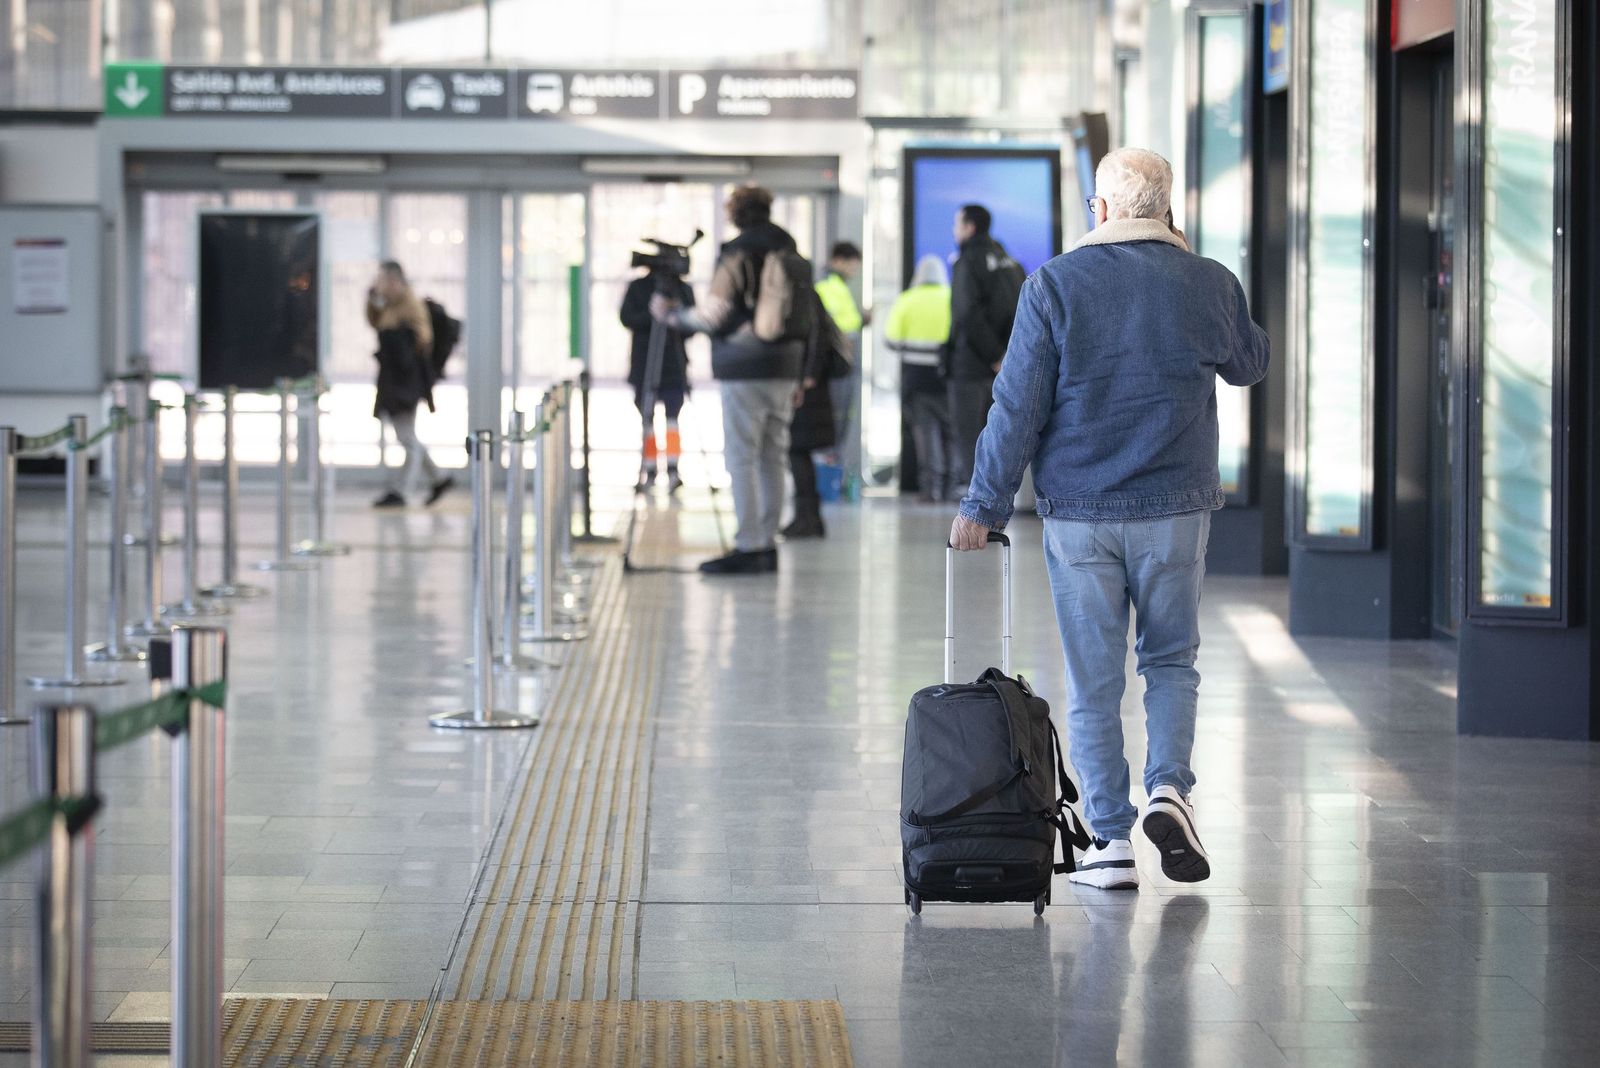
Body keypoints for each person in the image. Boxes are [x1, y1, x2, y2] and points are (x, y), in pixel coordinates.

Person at [948, 148, 1270, 891]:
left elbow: (1017, 408)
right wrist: (1195, 273)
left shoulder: (1055, 285)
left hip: (1081, 514)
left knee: (1094, 680)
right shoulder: (1208, 281)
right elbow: (1251, 363)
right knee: (1170, 661)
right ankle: (1170, 791)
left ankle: (1111, 843)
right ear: (1167, 209)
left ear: (1099, 209)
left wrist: (982, 506)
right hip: (1177, 511)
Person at [653, 185, 807, 574]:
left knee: (742, 455)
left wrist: (673, 317)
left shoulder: (737, 252)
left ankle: (748, 544)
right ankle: (767, 541)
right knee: (774, 453)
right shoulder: (789, 249)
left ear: (736, 214)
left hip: (745, 366)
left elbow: (715, 314)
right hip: (787, 365)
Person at [947, 203, 1023, 497]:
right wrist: (1007, 355)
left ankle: (975, 497)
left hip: (972, 364)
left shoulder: (967, 261)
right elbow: (1022, 310)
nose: (955, 231)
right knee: (997, 432)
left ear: (970, 227)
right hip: (1006, 365)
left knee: (968, 433)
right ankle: (998, 491)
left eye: (957, 224)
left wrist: (994, 355)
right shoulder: (1009, 261)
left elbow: (966, 313)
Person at [366, 261, 452, 508]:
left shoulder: (409, 305)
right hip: (394, 379)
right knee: (407, 435)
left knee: (406, 437)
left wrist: (400, 340)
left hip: (405, 381)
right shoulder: (391, 305)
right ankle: (440, 478)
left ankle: (402, 490)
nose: (378, 285)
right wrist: (372, 299)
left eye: (382, 280)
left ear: (394, 281)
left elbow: (423, 339)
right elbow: (375, 321)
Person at [620, 267, 695, 494]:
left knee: (673, 419)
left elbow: (692, 324)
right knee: (647, 419)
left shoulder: (682, 289)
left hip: (674, 365)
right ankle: (649, 470)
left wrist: (673, 315)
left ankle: (674, 471)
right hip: (645, 365)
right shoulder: (638, 287)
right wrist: (652, 315)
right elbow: (626, 317)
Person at [884, 255, 953, 502]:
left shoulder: (906, 300)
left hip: (916, 377)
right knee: (952, 432)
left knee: (926, 432)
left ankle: (930, 489)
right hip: (947, 376)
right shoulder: (950, 298)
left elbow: (890, 340)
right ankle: (953, 487)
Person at [783, 290, 849, 540]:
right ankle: (808, 517)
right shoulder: (811, 297)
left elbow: (815, 340)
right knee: (800, 454)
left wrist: (806, 377)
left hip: (807, 391)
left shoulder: (803, 298)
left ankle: (807, 518)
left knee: (798, 452)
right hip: (811, 389)